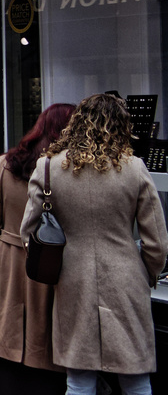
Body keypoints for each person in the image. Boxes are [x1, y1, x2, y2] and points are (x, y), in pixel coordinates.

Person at [21, 94, 167, 395]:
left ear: (76, 123)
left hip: (72, 280)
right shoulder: (134, 168)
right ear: (121, 126)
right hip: (126, 279)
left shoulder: (48, 167)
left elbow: (29, 233)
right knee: (136, 379)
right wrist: (149, 273)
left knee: (78, 381)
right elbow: (157, 243)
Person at [0, 103, 73, 394]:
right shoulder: (68, 171)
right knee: (42, 341)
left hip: (7, 262)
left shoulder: (5, 164)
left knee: (4, 336)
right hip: (50, 265)